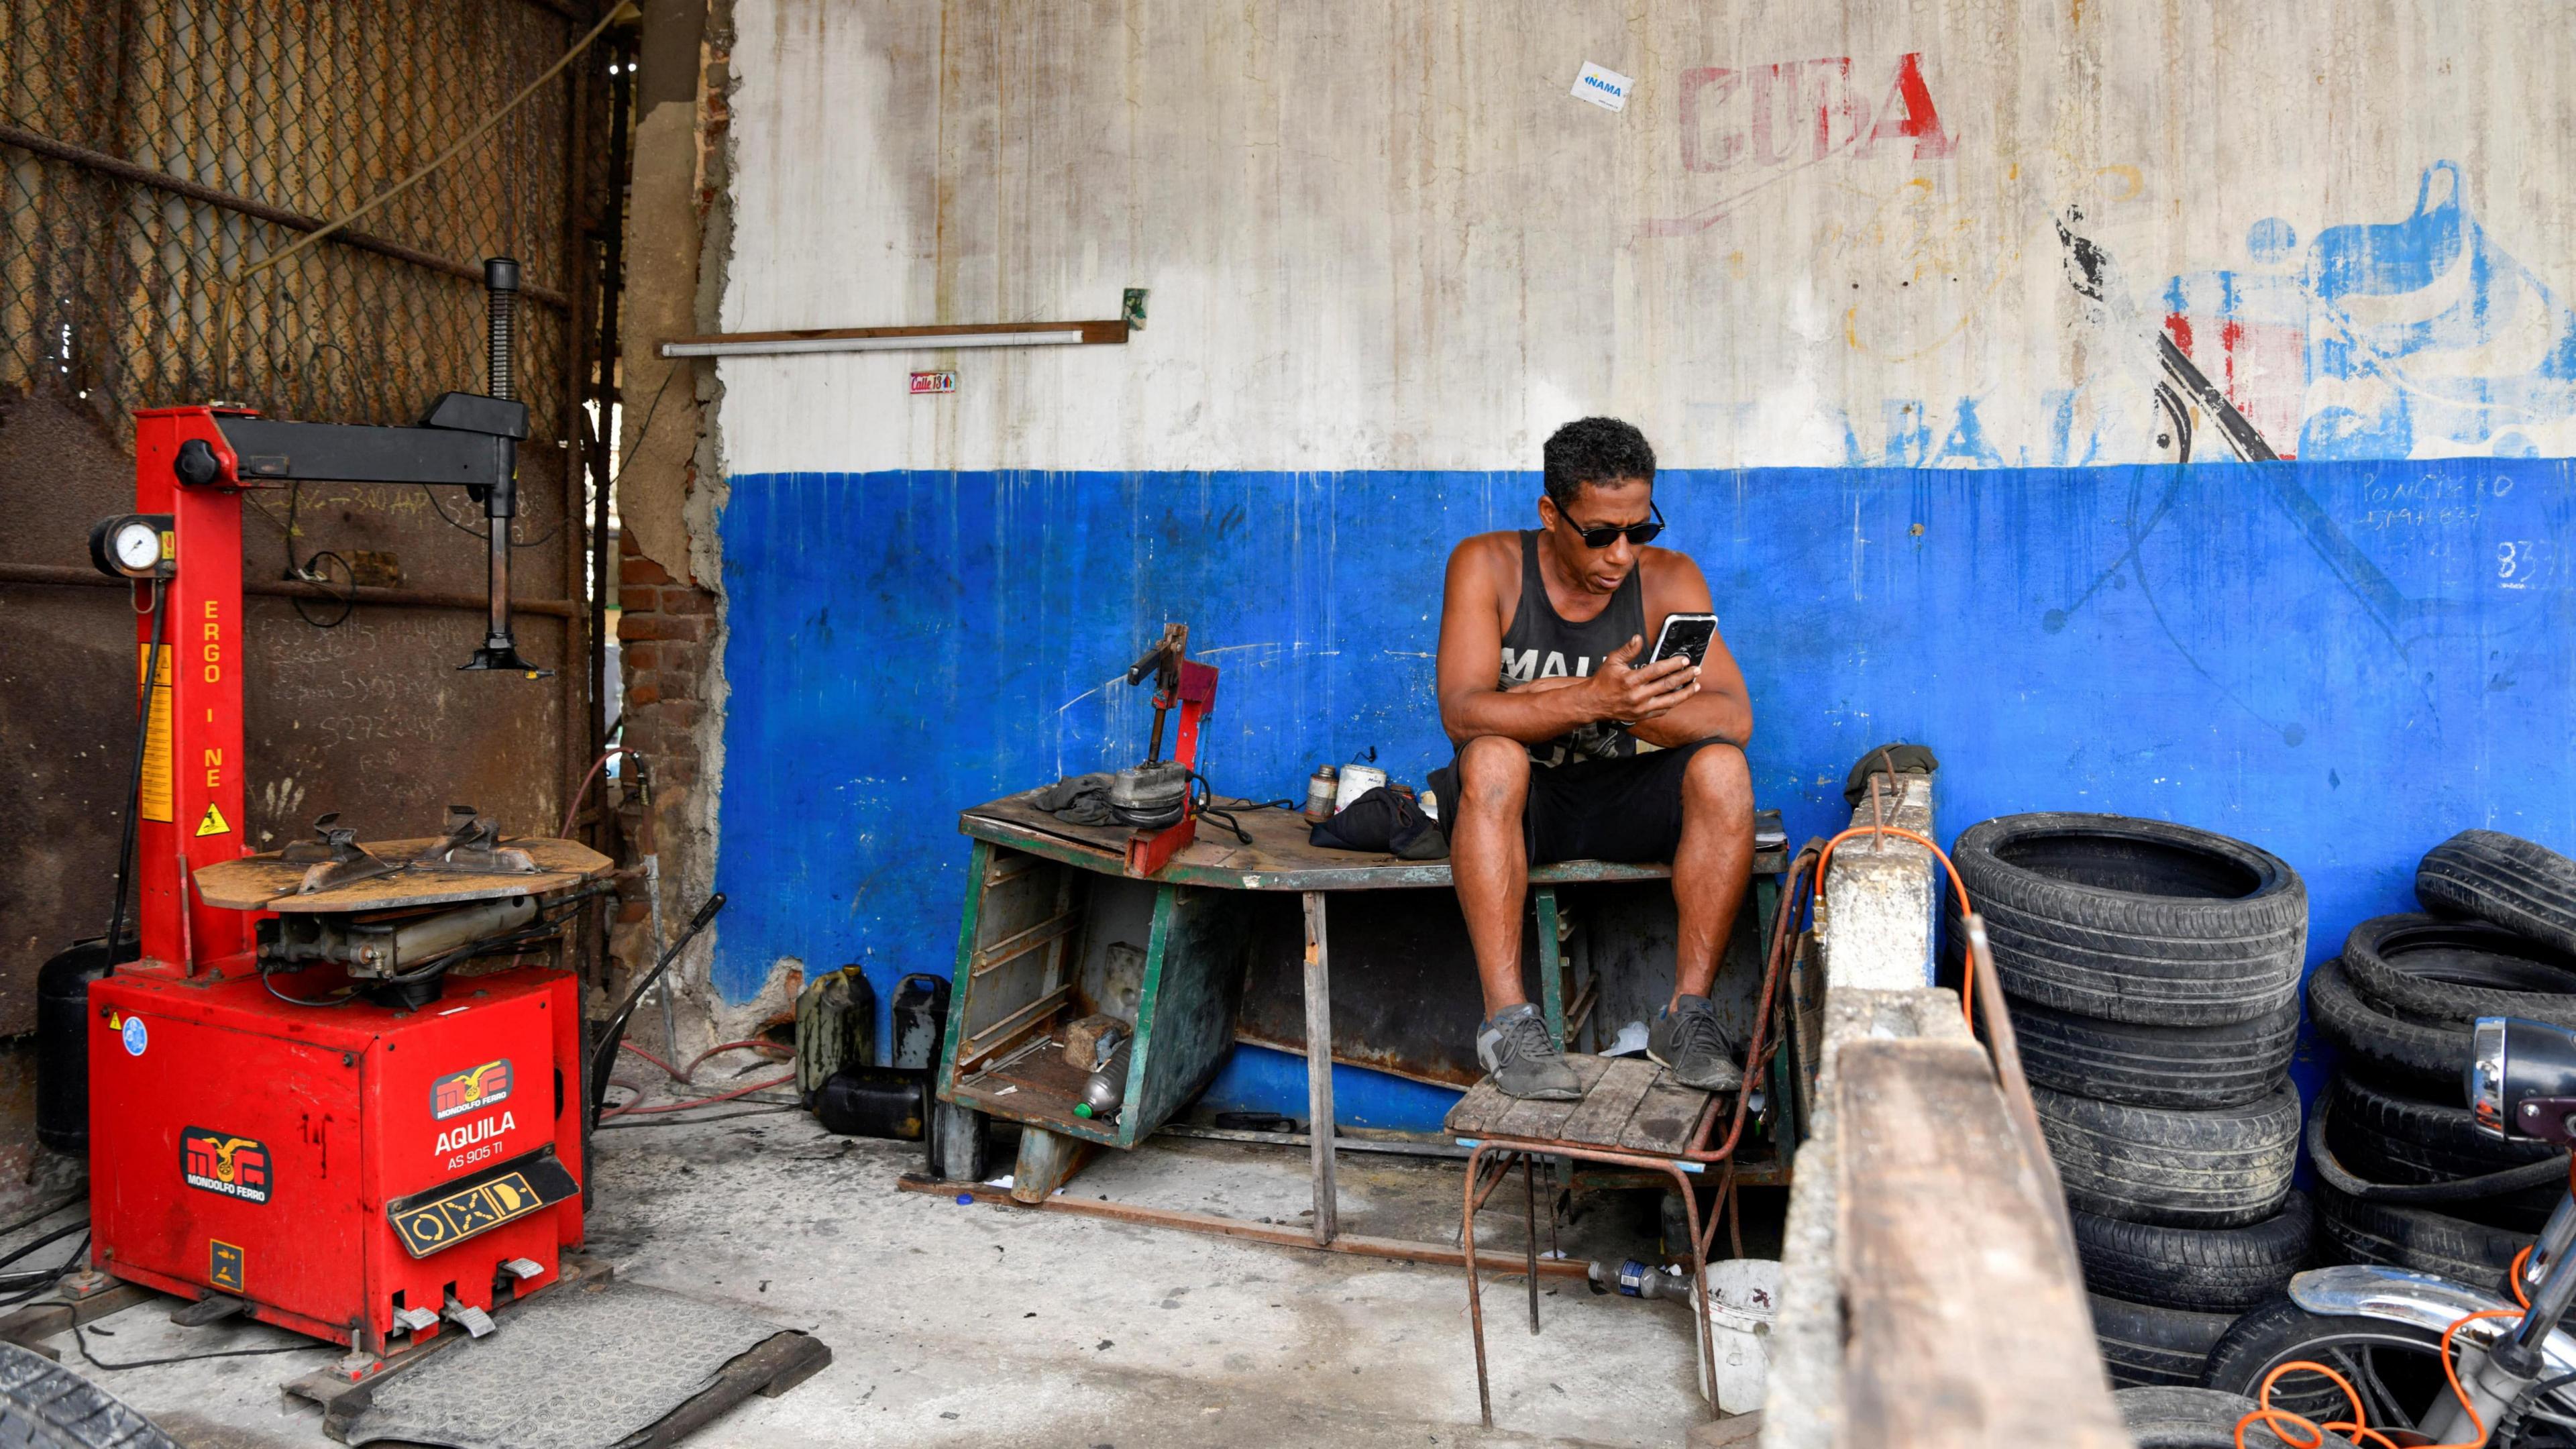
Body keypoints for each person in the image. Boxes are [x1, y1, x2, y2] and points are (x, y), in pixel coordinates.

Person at [1432, 417, 1755, 1100]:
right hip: (1526, 803)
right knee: (1492, 758)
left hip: (1623, 793)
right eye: (1601, 533)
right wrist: (1589, 698)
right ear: (1552, 514)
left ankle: (1686, 1017)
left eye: (1640, 531)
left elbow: (1733, 717)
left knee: (1723, 768)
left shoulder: (1670, 580)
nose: (1622, 554)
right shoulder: (1487, 565)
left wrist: (1632, 708)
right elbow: (1462, 712)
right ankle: (1508, 1024)